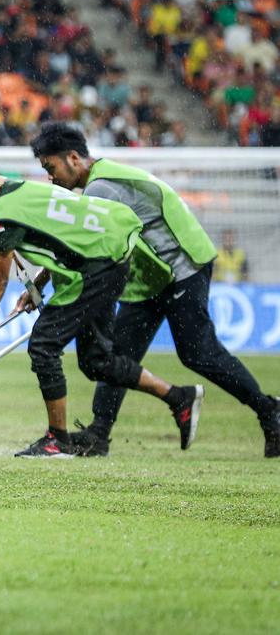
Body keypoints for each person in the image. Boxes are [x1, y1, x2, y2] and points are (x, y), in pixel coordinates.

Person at [29, 125, 279, 457]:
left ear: (73, 158)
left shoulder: (101, 189)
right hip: (152, 277)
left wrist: (46, 286)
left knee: (198, 353)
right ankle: (99, 434)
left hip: (183, 267)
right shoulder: (102, 179)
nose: (50, 177)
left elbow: (80, 248)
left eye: (51, 168)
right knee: (118, 354)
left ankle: (270, 412)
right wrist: (41, 280)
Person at [0, 154, 203, 458]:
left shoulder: (4, 212)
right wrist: (38, 284)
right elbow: (67, 236)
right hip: (109, 260)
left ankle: (57, 440)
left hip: (96, 268)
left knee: (43, 345)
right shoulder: (23, 190)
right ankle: (179, 398)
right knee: (96, 361)